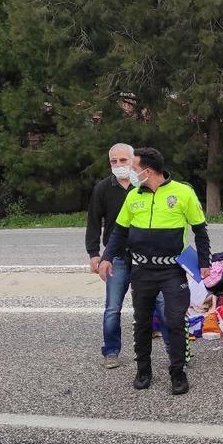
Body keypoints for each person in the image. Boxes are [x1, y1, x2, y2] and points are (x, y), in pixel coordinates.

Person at [99, 148, 210, 396]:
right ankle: (143, 370)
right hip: (142, 270)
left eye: (134, 168)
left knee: (174, 320)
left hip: (172, 270)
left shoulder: (183, 193)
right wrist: (106, 257)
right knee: (142, 322)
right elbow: (120, 232)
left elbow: (200, 230)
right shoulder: (133, 196)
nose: (131, 173)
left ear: (147, 171)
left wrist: (205, 261)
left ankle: (178, 372)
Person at [85, 143, 135, 369]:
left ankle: (173, 350)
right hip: (116, 258)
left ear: (133, 160)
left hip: (144, 256)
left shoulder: (143, 185)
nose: (118, 165)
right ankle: (111, 351)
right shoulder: (103, 188)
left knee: (160, 304)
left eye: (123, 160)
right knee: (113, 307)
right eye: (114, 161)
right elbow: (94, 222)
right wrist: (94, 254)